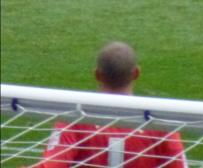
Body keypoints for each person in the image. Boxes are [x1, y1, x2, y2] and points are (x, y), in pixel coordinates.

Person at [39, 42, 188, 167]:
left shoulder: (75, 118)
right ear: (136, 73)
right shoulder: (159, 122)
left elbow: (51, 165)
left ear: (97, 75)